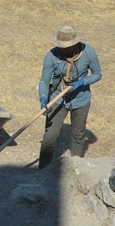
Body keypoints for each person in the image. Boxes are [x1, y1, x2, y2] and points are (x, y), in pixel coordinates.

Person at [37, 24, 102, 169]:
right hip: (57, 98)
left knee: (78, 136)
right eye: (62, 46)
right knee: (49, 138)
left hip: (81, 100)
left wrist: (83, 82)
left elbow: (98, 74)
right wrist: (43, 97)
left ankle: (75, 169)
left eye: (68, 46)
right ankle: (41, 172)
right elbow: (44, 80)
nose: (65, 49)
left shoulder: (88, 52)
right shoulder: (52, 55)